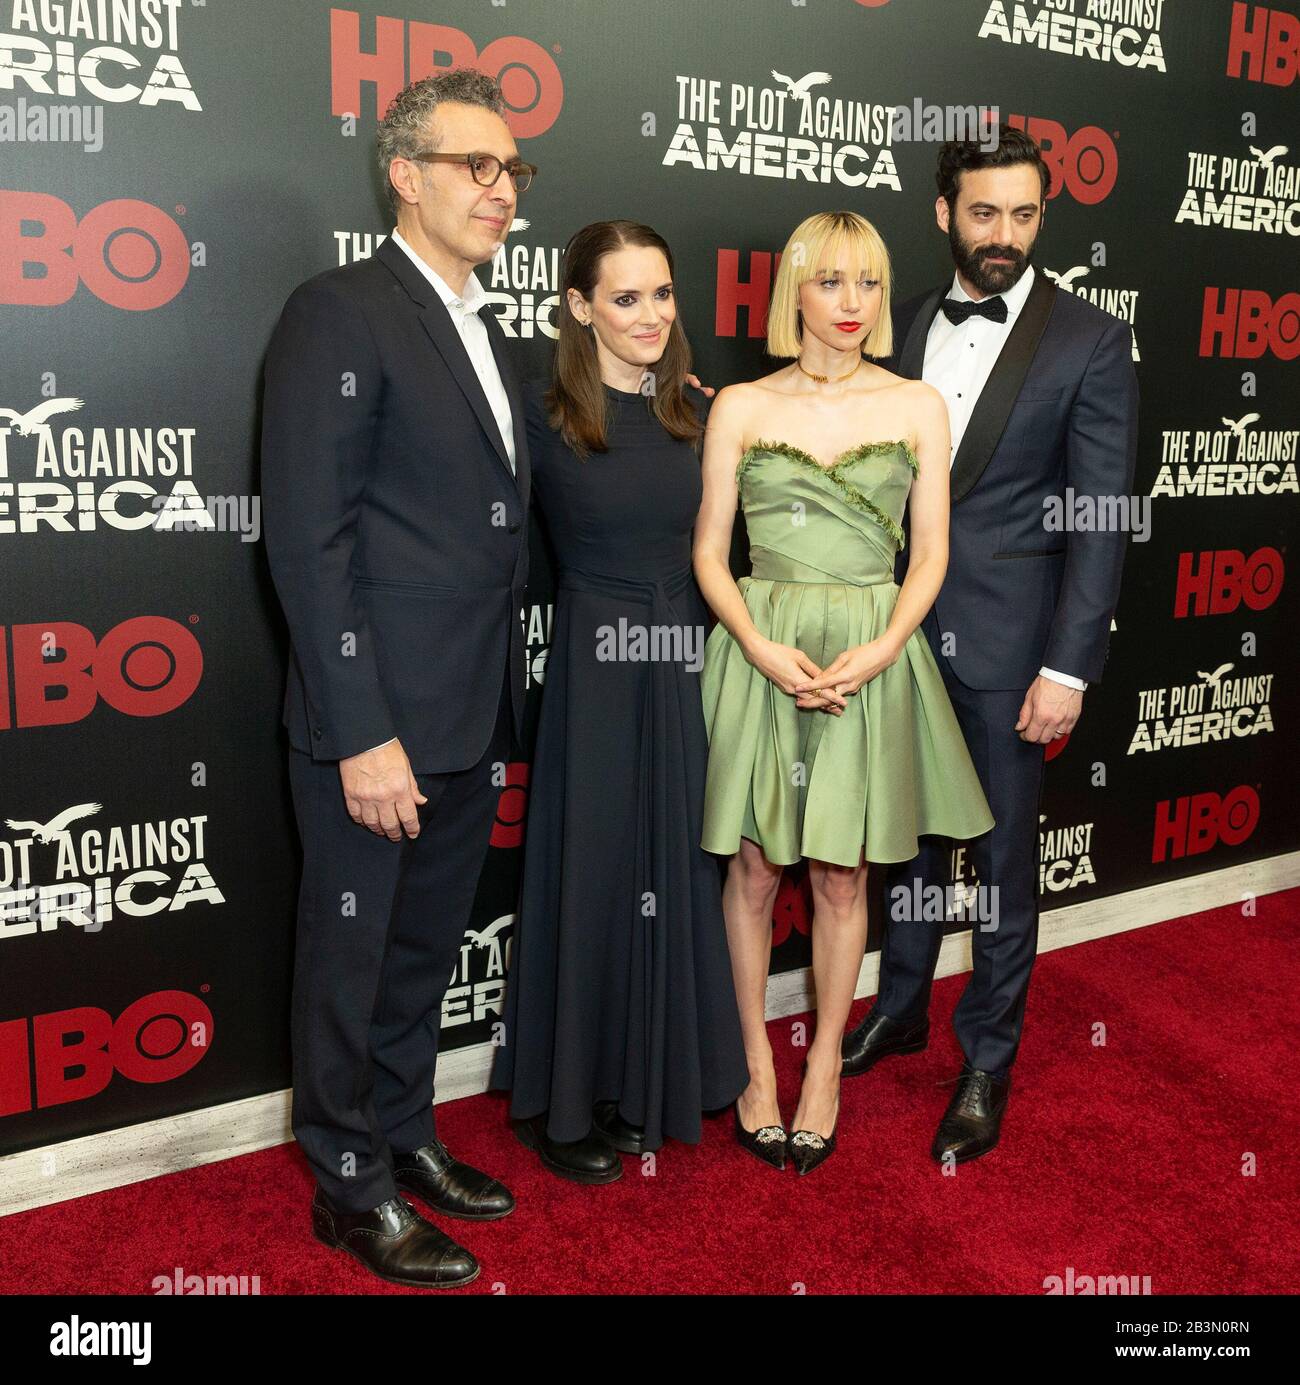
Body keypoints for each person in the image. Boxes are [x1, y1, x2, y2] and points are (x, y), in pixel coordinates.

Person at [261, 70, 536, 1289]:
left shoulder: (491, 330)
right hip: (373, 722)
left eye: (513, 168)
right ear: (404, 175)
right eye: (475, 165)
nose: (501, 188)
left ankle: (405, 1129)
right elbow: (307, 543)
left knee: (421, 950)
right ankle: (346, 1182)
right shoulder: (340, 311)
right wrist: (359, 730)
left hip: (471, 710)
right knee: (350, 955)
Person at [841, 125, 1138, 1164]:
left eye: (1022, 214)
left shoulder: (1090, 340)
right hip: (901, 636)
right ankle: (903, 1003)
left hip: (1014, 648)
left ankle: (987, 1056)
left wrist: (1067, 665)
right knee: (911, 843)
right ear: (942, 213)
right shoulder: (907, 319)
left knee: (1001, 864)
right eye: (982, 213)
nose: (1002, 234)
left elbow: (1099, 515)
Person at [693, 210, 995, 1175]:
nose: (854, 303)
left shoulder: (917, 405)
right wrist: (756, 643)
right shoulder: (739, 403)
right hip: (763, 647)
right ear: (796, 291)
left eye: (869, 282)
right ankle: (753, 1065)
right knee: (749, 869)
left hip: (873, 647)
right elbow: (709, 550)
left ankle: (821, 1061)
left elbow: (933, 551)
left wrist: (881, 649)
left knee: (841, 874)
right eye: (831, 282)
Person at [491, 221, 750, 1179]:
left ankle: (652, 1079)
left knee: (678, 865)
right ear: (578, 306)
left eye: (664, 294)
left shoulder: (700, 410)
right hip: (598, 663)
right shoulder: (544, 414)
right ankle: (564, 1105)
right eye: (626, 298)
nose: (651, 315)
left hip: (686, 650)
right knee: (594, 868)